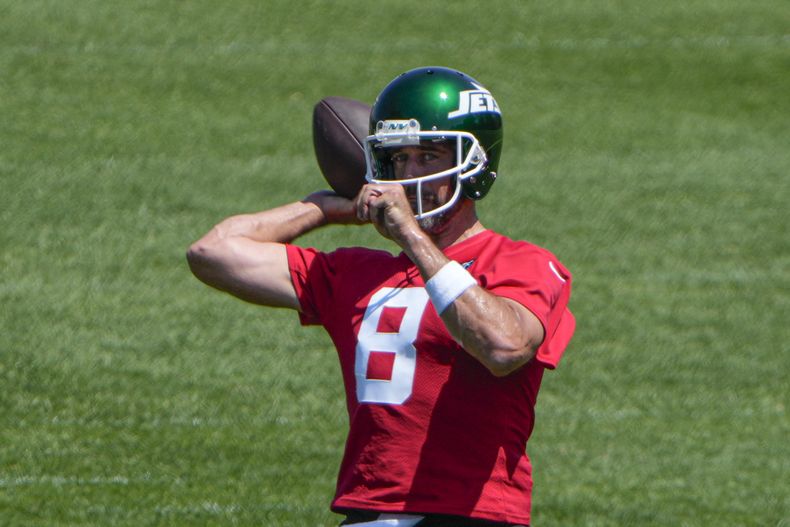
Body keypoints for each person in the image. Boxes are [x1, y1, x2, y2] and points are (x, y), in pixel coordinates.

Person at [187, 66, 575, 527]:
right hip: (366, 511)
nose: (408, 177)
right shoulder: (355, 273)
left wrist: (411, 236)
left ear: (473, 164)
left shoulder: (520, 262)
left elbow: (504, 346)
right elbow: (212, 252)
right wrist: (327, 209)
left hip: (469, 513)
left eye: (428, 157)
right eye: (397, 160)